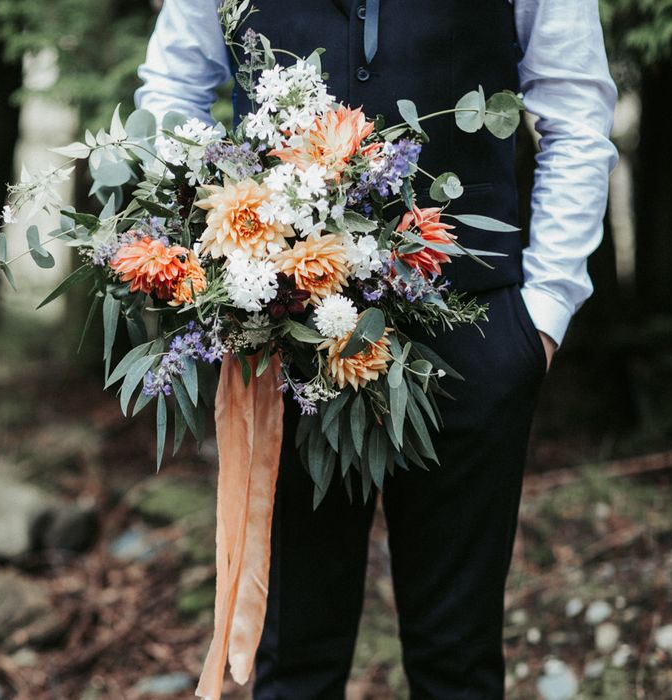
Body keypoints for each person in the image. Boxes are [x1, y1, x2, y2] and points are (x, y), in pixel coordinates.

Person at [134, 1, 618, 697]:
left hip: (473, 332)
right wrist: (210, 267)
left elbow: (577, 115)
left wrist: (542, 318)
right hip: (283, 334)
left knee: (459, 662)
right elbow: (173, 89)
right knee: (291, 663)